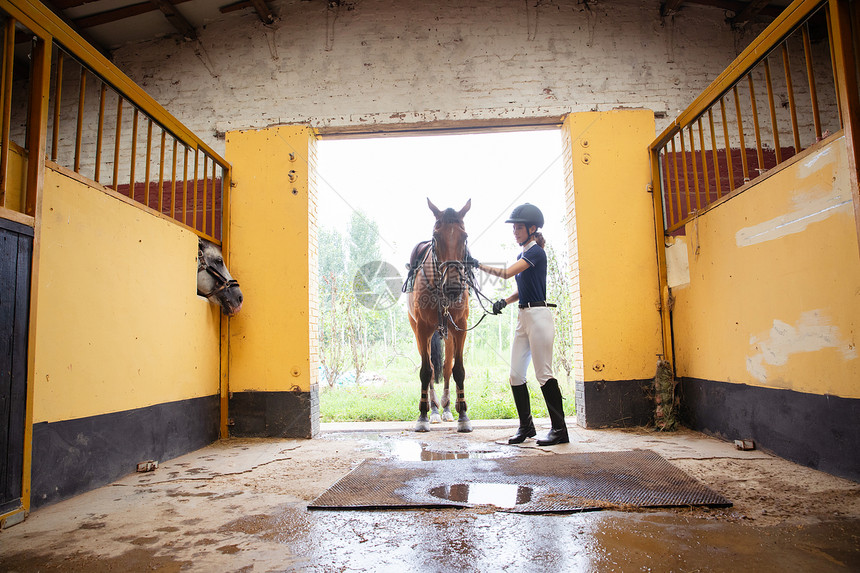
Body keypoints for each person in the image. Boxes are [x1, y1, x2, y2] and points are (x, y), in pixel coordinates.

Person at [474, 203, 569, 446]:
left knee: (543, 374)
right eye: (513, 228)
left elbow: (506, 274)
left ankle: (560, 430)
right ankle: (526, 427)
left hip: (539, 316)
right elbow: (521, 288)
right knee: (515, 374)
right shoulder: (523, 254)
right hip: (523, 317)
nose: (514, 231)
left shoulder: (536, 252)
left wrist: (477, 265)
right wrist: (504, 301)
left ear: (532, 228)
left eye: (518, 227)